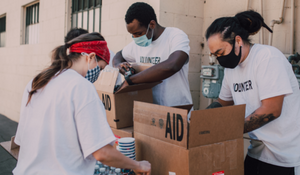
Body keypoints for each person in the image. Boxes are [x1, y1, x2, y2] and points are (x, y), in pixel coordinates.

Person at [13, 33, 151, 175]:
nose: (99, 73)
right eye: (101, 68)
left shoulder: (36, 81)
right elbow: (102, 153)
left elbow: (22, 141)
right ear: (90, 57)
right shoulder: (81, 86)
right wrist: (138, 165)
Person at [205, 10, 300, 175]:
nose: (219, 59)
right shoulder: (231, 69)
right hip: (257, 150)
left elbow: (272, 110)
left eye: (220, 52)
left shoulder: (267, 57)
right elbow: (223, 103)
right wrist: (203, 120)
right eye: (214, 55)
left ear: (238, 41)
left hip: (284, 154)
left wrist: (225, 130)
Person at [113, 2, 193, 109]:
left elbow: (173, 65)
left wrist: (131, 80)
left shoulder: (175, 36)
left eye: (138, 33)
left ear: (152, 24)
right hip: (151, 112)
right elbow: (118, 56)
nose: (135, 38)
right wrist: (119, 65)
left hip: (177, 110)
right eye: (132, 35)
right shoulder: (136, 45)